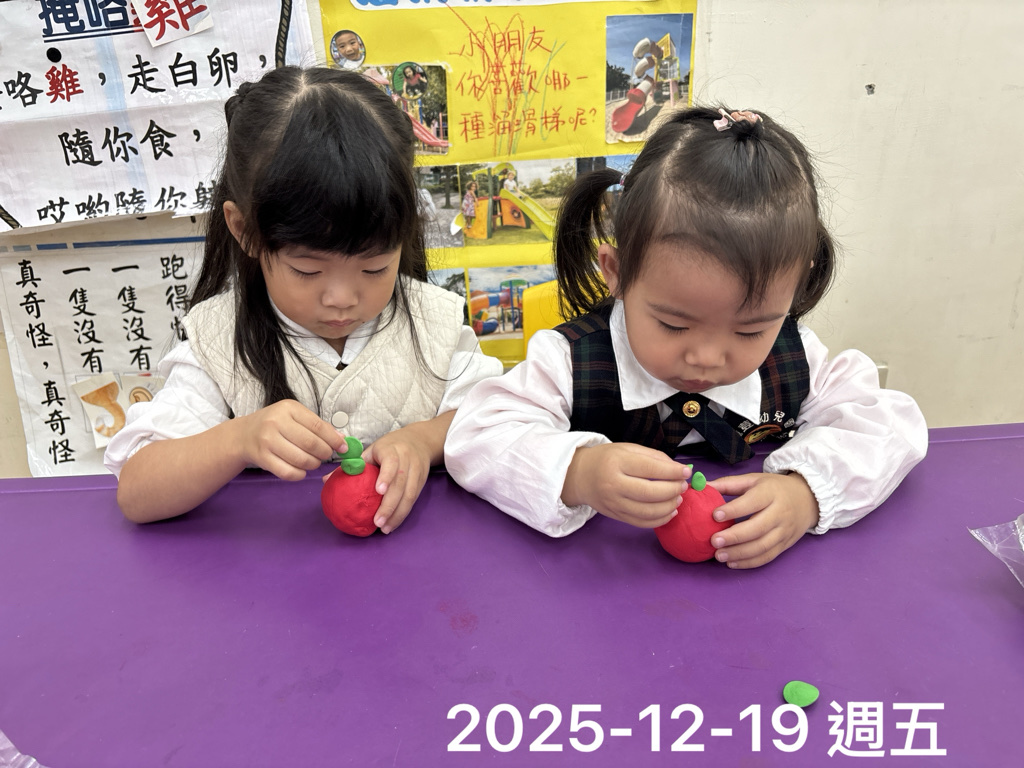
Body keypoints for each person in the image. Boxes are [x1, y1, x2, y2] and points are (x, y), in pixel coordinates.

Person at [446, 106, 928, 569]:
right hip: (596, 588)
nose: (706, 357)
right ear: (616, 272)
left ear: (796, 286)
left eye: (750, 329)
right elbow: (476, 435)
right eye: (674, 325)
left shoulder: (798, 360)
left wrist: (807, 493)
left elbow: (889, 426)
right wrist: (578, 472)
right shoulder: (569, 363)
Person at [105, 67, 502, 528]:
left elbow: (494, 418)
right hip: (264, 571)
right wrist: (238, 439)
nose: (341, 299)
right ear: (244, 230)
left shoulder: (435, 321)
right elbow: (137, 493)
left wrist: (423, 440)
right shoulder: (219, 342)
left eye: (374, 268)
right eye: (308, 270)